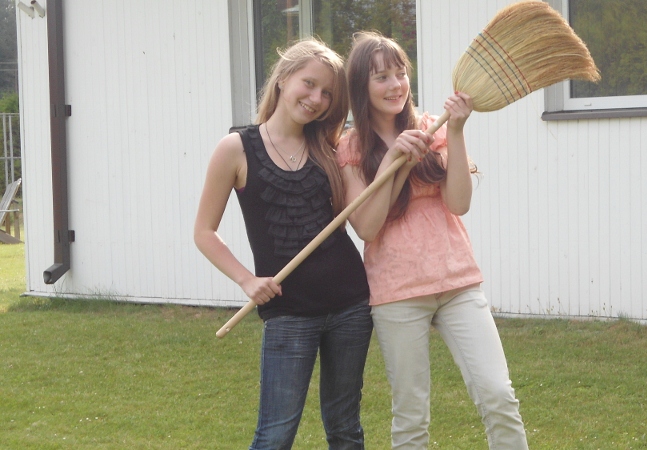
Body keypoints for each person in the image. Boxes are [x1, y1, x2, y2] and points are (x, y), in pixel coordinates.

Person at [337, 31, 528, 449]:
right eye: (381, 77)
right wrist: (394, 159)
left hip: (458, 282)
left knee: (498, 396)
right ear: (361, 88)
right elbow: (367, 227)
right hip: (397, 293)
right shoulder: (350, 148)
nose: (396, 85)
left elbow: (459, 203)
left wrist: (456, 130)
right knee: (411, 416)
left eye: (400, 73)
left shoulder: (432, 128)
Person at [194, 38, 372, 450]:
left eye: (327, 94)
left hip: (350, 304)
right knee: (275, 435)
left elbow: (362, 214)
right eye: (309, 84)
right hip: (288, 310)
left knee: (345, 429)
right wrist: (246, 280)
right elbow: (204, 232)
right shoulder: (236, 148)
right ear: (283, 78)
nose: (316, 99)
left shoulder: (330, 148)